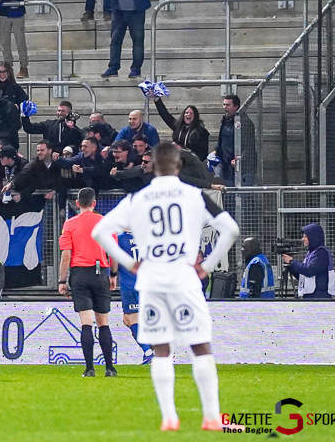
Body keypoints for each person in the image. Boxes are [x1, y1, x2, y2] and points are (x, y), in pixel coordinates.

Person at [91, 142, 241, 432]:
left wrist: (129, 263)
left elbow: (101, 231)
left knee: (161, 350)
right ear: (178, 165)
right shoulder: (194, 195)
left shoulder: (138, 198)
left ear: (153, 166)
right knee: (200, 346)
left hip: (152, 279)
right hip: (184, 277)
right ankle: (211, 417)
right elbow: (230, 229)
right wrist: (206, 266)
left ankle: (169, 417)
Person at [57, 188, 117, 377]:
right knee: (103, 322)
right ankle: (109, 368)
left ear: (77, 203)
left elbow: (66, 256)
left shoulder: (70, 224)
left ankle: (89, 368)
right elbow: (113, 251)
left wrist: (62, 281)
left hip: (80, 275)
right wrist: (113, 275)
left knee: (86, 323)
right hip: (100, 272)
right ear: (94, 203)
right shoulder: (105, 222)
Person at [111, 231, 154, 363]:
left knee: (131, 318)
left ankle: (148, 352)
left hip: (130, 284)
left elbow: (113, 259)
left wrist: (112, 275)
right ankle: (152, 350)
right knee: (134, 319)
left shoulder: (119, 239)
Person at [282, 223, 335, 299]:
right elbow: (303, 276)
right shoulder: (312, 253)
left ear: (313, 237)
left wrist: (292, 262)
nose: (303, 239)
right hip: (312, 295)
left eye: (305, 236)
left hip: (319, 297)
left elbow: (309, 271)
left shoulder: (321, 253)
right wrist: (291, 267)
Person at [215, 94, 257, 186]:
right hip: (227, 168)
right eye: (224, 104)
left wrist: (239, 159)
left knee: (244, 197)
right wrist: (215, 151)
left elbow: (249, 146)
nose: (225, 107)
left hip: (243, 169)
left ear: (236, 106)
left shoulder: (245, 122)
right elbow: (222, 140)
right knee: (229, 198)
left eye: (227, 105)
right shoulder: (225, 122)